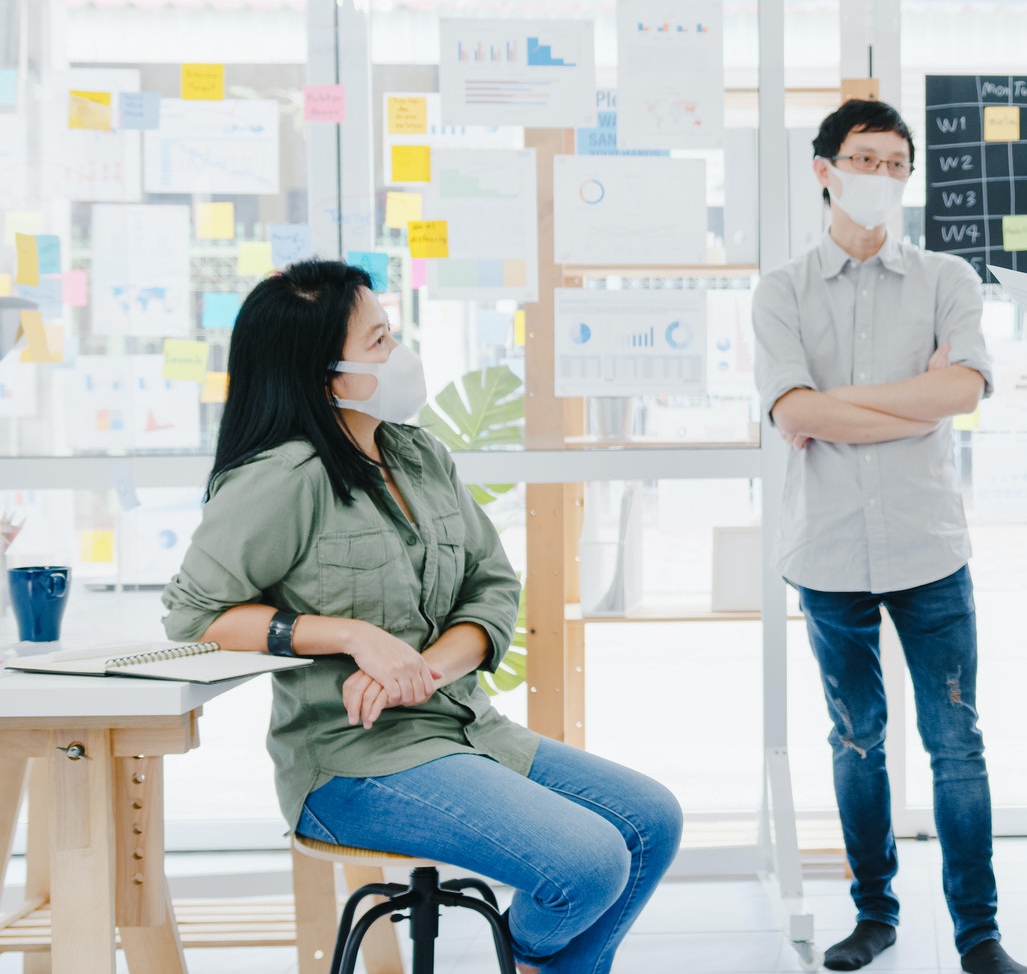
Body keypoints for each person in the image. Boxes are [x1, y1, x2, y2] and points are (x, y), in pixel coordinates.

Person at [161, 260, 682, 974]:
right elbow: (193, 617)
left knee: (652, 819)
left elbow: (492, 585)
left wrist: (422, 668)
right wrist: (352, 637)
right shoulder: (283, 479)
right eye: (378, 341)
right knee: (588, 862)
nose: (399, 353)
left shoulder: (419, 454)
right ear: (326, 374)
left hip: (461, 724)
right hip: (352, 762)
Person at [754, 100, 1027, 974]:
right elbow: (790, 411)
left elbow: (962, 392)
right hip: (829, 549)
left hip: (927, 546)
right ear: (824, 169)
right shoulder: (782, 291)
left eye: (895, 163)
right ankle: (873, 913)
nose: (880, 177)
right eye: (863, 159)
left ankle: (978, 935)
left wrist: (846, 411)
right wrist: (903, 400)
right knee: (856, 737)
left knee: (957, 742)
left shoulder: (948, 278)